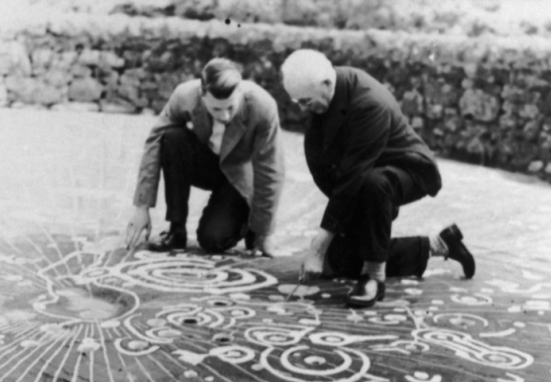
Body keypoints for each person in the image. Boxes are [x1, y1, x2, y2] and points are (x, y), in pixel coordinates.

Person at [280, 49, 475, 308]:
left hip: (409, 169)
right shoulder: (326, 90)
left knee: (375, 184)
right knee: (338, 260)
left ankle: (373, 276)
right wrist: (347, 225)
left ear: (326, 84)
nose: (304, 109)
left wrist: (318, 244)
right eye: (298, 103)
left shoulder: (370, 102)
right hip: (368, 175)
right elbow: (330, 167)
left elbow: (352, 176)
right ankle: (438, 245)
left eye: (306, 101)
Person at [125, 58, 285, 255]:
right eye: (216, 109)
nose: (225, 116)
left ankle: (247, 223)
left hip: (239, 176)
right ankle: (176, 230)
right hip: (208, 164)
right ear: (202, 96)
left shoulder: (263, 106)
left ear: (240, 93)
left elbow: (271, 169)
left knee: (213, 240)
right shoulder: (185, 95)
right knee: (172, 139)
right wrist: (142, 207)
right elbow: (154, 140)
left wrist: (264, 231)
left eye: (230, 108)